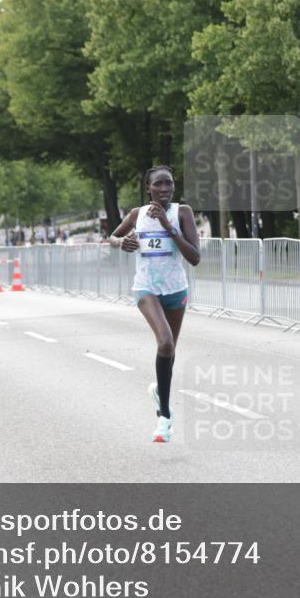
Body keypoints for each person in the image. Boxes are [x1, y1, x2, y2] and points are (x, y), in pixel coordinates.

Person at [109, 165, 201, 443]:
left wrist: (169, 227)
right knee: (165, 343)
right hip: (146, 287)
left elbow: (195, 257)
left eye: (169, 184)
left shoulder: (181, 213)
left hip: (175, 289)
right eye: (158, 184)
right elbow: (112, 236)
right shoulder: (137, 215)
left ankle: (160, 392)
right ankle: (164, 416)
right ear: (148, 188)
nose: (164, 189)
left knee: (170, 351)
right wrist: (120, 242)